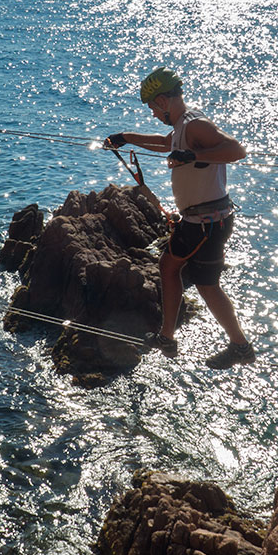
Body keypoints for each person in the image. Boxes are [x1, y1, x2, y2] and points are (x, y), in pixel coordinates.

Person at [104, 67, 255, 369]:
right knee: (204, 283)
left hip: (204, 223)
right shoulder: (183, 128)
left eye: (152, 106)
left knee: (171, 268)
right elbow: (164, 142)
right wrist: (125, 137)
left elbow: (237, 150)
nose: (152, 112)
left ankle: (170, 337)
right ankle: (235, 345)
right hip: (209, 220)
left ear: (162, 100)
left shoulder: (196, 125)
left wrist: (193, 157)